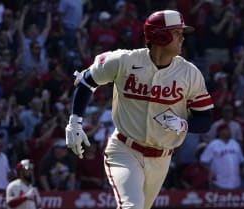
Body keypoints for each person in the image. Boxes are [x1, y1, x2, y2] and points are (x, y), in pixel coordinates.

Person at [65, 10, 214, 209]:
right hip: (125, 149)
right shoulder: (123, 61)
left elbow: (205, 119)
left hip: (161, 157)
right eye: (177, 32)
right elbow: (86, 81)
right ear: (160, 35)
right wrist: (75, 122)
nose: (182, 37)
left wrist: (184, 124)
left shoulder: (190, 73)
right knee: (131, 207)